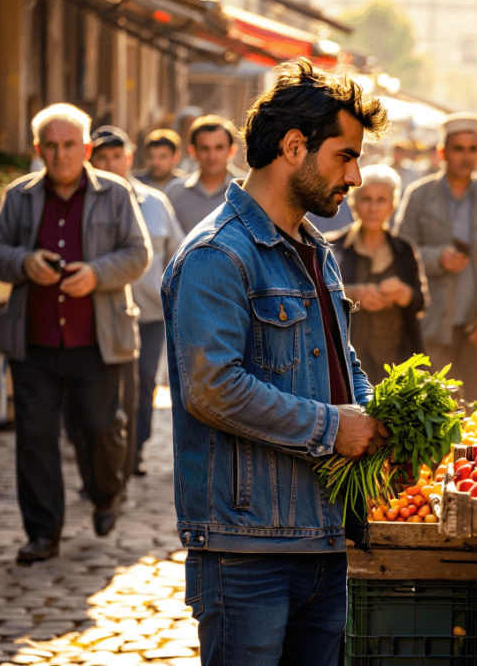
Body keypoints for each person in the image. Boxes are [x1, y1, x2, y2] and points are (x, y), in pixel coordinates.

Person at [163, 61, 389, 663]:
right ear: (295, 147)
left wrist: (374, 415)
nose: (357, 176)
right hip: (247, 550)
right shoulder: (218, 255)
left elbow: (344, 362)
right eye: (345, 156)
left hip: (323, 539)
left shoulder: (317, 252)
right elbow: (211, 388)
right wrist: (334, 428)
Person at [0, 103, 151, 562]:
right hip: (33, 341)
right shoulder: (19, 196)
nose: (60, 155)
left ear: (86, 149)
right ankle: (43, 533)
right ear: (38, 150)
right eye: (51, 147)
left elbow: (138, 255)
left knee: (100, 430)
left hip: (96, 340)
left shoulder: (115, 194)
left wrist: (97, 274)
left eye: (69, 146)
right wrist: (25, 262)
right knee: (34, 439)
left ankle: (106, 493)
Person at [394, 113, 477, 402]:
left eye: (472, 149)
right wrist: (437, 258)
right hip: (433, 327)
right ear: (442, 152)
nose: (466, 156)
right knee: (432, 413)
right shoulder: (419, 195)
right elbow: (400, 254)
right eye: (458, 149)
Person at [88, 125, 185, 477]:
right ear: (91, 159)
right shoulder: (84, 205)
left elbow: (178, 251)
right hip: (101, 313)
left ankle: (135, 449)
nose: (111, 163)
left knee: (144, 383)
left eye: (117, 156)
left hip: (150, 314)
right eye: (103, 157)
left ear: (128, 158)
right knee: (102, 386)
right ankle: (101, 455)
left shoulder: (155, 202)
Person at [326, 164, 427, 379]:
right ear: (354, 204)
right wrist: (352, 294)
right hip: (345, 365)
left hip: (397, 364)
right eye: (366, 199)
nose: (373, 208)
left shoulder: (403, 250)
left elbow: (420, 303)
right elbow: (315, 298)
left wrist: (404, 294)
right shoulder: (332, 247)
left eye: (381, 200)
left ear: (392, 206)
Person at [165, 115, 242, 233]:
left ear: (232, 150)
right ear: (192, 151)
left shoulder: (247, 190)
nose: (212, 156)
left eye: (219, 147)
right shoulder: (174, 192)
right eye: (205, 148)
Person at [133, 128, 187, 193]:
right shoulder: (135, 184)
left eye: (162, 156)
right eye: (150, 156)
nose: (155, 162)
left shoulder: (186, 187)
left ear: (176, 157)